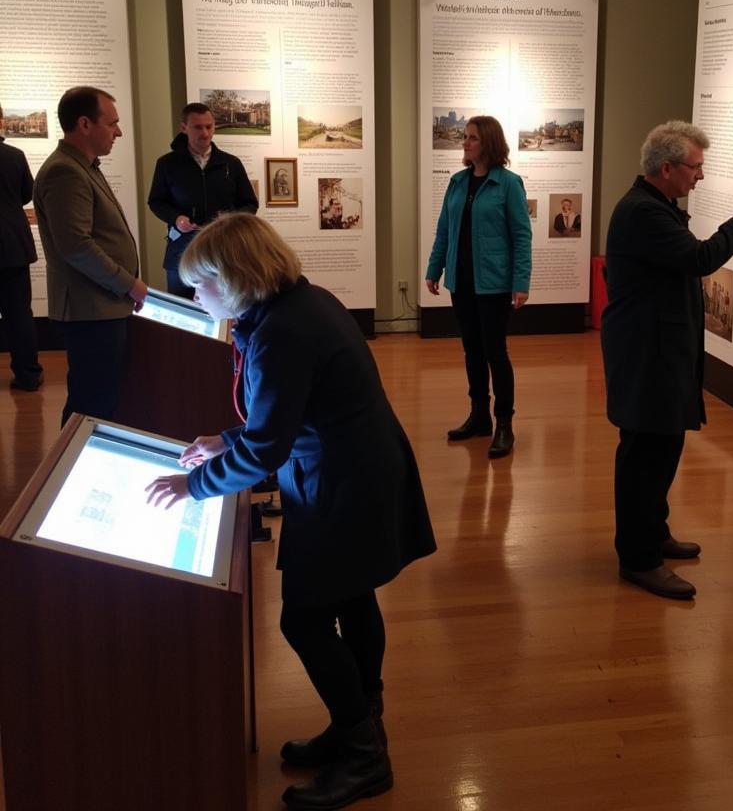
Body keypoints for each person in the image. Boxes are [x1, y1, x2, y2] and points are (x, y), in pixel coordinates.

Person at [145, 213, 435, 811]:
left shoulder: (282, 331)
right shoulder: (295, 305)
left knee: (303, 622)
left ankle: (364, 754)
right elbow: (283, 413)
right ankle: (359, 720)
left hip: (343, 483)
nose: (193, 294)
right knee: (354, 599)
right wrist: (225, 441)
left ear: (235, 276)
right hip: (355, 469)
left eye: (200, 283)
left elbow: (270, 444)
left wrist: (194, 485)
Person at [601, 121, 733, 600]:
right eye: (696, 167)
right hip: (646, 354)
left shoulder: (656, 206)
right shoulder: (642, 212)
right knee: (644, 456)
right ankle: (638, 559)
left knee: (662, 448)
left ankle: (653, 534)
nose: (700, 176)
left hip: (656, 349)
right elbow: (699, 259)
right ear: (668, 167)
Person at [33, 86, 146, 424]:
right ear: (85, 124)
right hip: (91, 310)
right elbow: (76, 245)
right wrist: (129, 284)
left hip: (101, 307)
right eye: (112, 123)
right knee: (91, 403)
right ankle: (73, 472)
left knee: (99, 397)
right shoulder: (65, 171)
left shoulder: (83, 166)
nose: (119, 131)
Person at [425, 115, 532, 459]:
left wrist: (521, 282)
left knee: (495, 353)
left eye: (472, 138)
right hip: (462, 281)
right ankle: (479, 415)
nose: (465, 143)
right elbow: (444, 230)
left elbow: (521, 236)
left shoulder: (509, 184)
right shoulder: (457, 182)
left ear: (488, 143)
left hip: (494, 284)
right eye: (465, 138)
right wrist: (434, 268)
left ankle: (504, 424)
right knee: (472, 351)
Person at [147, 102, 257, 298]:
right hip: (181, 252)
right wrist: (177, 218)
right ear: (184, 128)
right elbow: (156, 202)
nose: (205, 133)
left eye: (209, 126)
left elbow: (250, 203)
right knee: (182, 312)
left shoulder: (231, 164)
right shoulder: (167, 164)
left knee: (224, 310)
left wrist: (229, 219)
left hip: (224, 252)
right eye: (198, 127)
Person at [0, 104, 44, 390]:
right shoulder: (14, 156)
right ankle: (28, 374)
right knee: (19, 314)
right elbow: (27, 192)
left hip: (12, 243)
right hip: (11, 243)